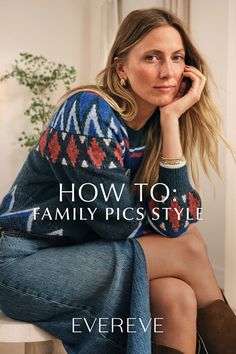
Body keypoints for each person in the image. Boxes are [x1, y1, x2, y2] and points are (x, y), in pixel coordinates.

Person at [0, 7, 235, 354]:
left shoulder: (154, 129)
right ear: (121, 69)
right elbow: (116, 224)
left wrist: (171, 121)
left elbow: (172, 220)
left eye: (177, 57)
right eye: (152, 57)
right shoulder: (88, 112)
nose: (168, 71)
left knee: (177, 298)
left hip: (84, 257)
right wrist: (156, 221)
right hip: (23, 263)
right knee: (189, 245)